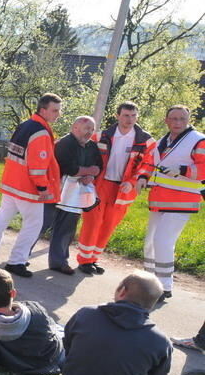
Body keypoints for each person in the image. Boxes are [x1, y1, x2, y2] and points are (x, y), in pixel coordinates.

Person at [58, 271, 205, 375]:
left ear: (122, 291)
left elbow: (68, 348)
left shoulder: (85, 313)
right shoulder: (160, 342)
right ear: (152, 303)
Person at [0, 93, 63, 277]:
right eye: (55, 110)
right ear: (43, 110)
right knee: (33, 224)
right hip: (29, 189)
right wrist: (43, 188)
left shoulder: (25, 125)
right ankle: (16, 261)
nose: (58, 114)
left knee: (1, 219)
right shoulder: (40, 132)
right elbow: (38, 165)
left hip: (11, 182)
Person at [76, 102, 156, 275]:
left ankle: (94, 258)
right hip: (99, 184)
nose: (130, 119)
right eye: (126, 115)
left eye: (133, 115)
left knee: (109, 225)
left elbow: (148, 165)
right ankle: (84, 259)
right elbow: (86, 155)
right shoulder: (102, 136)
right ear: (117, 116)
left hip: (124, 189)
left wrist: (134, 181)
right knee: (92, 222)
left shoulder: (146, 141)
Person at [143, 105, 205, 301]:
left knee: (163, 241)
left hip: (182, 200)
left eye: (182, 119)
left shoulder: (198, 140)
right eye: (174, 119)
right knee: (150, 242)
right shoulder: (162, 141)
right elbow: (149, 163)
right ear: (166, 121)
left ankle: (164, 286)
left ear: (188, 120)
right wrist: (142, 178)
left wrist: (183, 170)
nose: (178, 122)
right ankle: (148, 283)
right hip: (159, 199)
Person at [0, 269, 64, 375]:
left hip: (20, 369)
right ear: (13, 293)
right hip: (51, 362)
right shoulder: (36, 309)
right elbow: (52, 333)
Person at [47, 116, 100, 275]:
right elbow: (69, 168)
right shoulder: (65, 143)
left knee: (67, 229)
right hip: (57, 190)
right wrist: (88, 171)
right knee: (39, 225)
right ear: (75, 128)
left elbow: (98, 166)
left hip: (75, 195)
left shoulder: (92, 146)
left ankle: (59, 262)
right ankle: (19, 259)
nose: (89, 132)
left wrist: (90, 175)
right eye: (86, 129)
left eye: (92, 129)